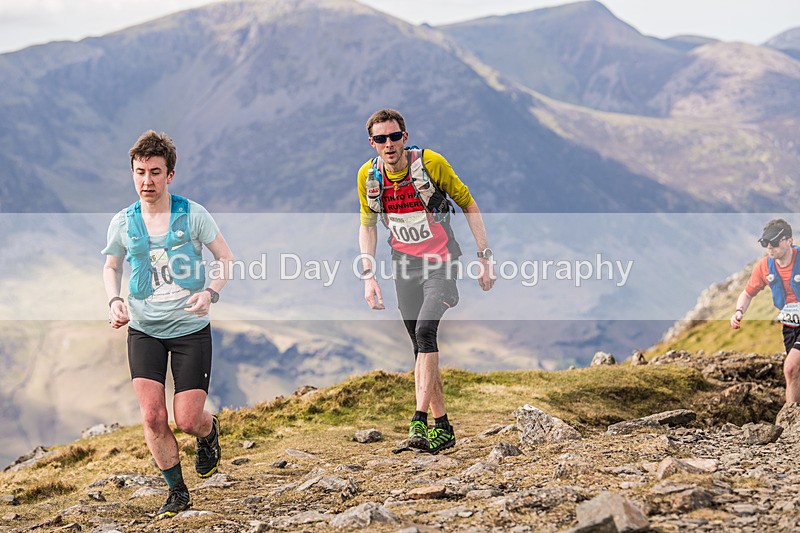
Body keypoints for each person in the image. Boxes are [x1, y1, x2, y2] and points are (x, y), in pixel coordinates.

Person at [102, 131, 234, 519]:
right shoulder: (123, 222)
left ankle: (209, 434)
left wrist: (210, 292)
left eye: (155, 172)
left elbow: (226, 258)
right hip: (144, 328)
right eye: (140, 172)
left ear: (170, 175)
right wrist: (114, 300)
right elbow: (111, 265)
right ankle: (177, 491)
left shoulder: (192, 214)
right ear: (132, 172)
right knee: (152, 417)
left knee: (188, 418)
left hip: (190, 328)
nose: (147, 181)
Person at [357, 109, 495, 454]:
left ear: (405, 136)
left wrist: (485, 258)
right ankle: (443, 427)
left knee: (424, 333)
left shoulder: (431, 164)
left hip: (442, 262)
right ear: (371, 142)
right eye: (380, 139)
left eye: (394, 137)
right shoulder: (368, 177)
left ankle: (418, 418)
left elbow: (469, 204)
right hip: (404, 266)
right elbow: (368, 226)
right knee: (421, 348)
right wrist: (369, 276)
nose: (388, 145)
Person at [731, 218, 800, 404]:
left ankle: (788, 422)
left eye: (775, 242)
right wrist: (739, 312)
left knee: (790, 367)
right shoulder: (764, 266)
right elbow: (747, 293)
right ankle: (795, 425)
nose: (770, 247)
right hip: (790, 325)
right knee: (795, 372)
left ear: (789, 240)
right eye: (765, 243)